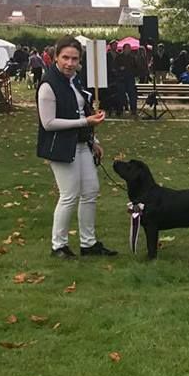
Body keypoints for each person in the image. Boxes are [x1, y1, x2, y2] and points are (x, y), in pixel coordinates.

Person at [36, 35, 117, 259]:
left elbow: (82, 111)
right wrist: (85, 122)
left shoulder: (75, 80)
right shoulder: (48, 85)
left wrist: (94, 140)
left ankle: (88, 243)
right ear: (55, 57)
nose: (70, 63)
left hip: (82, 144)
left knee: (90, 191)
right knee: (69, 195)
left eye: (74, 58)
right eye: (65, 58)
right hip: (60, 147)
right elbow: (49, 123)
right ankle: (58, 245)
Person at [115, 43, 138, 117]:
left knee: (132, 95)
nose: (128, 50)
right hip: (121, 79)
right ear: (124, 49)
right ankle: (119, 110)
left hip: (130, 78)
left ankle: (133, 110)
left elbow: (136, 67)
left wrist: (133, 72)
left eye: (129, 48)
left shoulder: (132, 57)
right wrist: (119, 69)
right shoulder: (119, 57)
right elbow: (114, 67)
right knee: (120, 95)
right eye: (127, 48)